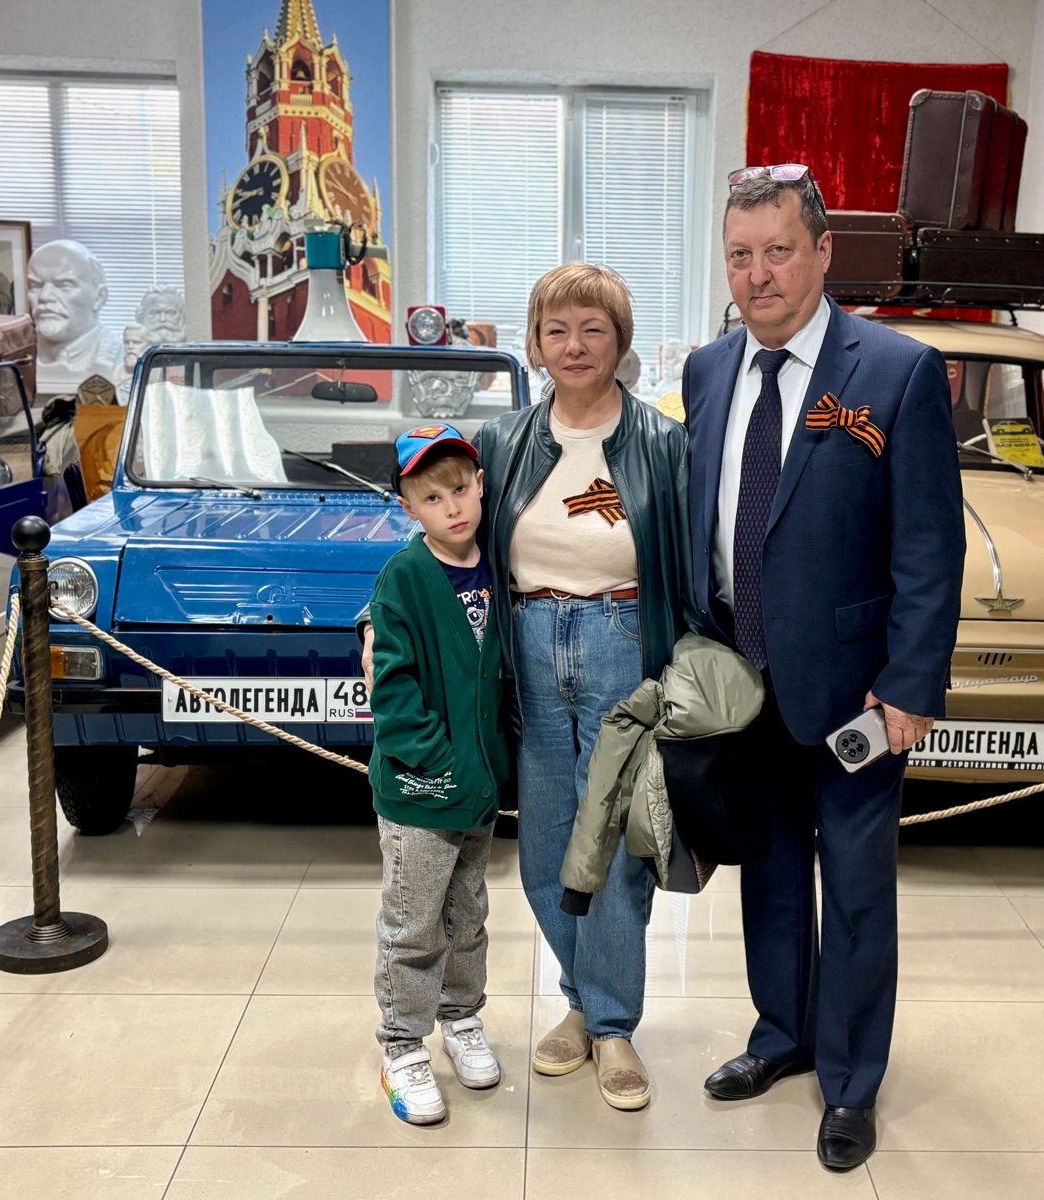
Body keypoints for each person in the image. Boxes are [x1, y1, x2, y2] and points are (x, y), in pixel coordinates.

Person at [683, 165, 963, 1171]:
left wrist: (911, 684)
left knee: (852, 887)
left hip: (856, 690)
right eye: (739, 256)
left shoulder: (896, 371)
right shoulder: (708, 369)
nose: (758, 276)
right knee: (765, 872)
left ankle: (849, 1081)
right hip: (741, 676)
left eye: (778, 252)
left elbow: (929, 546)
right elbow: (706, 519)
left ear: (823, 252)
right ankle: (783, 1034)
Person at [364, 263, 694, 1110]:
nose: (574, 346)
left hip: (624, 641)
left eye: (593, 329)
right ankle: (579, 1003)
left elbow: (694, 568)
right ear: (536, 345)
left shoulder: (663, 444)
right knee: (547, 844)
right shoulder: (505, 442)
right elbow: (441, 538)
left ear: (620, 341)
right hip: (528, 649)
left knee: (613, 841)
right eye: (557, 331)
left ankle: (613, 1024)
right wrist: (373, 620)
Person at [367, 422, 511, 1126]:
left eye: (459, 489)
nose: (451, 507)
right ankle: (401, 1044)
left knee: (468, 914)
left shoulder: (497, 566)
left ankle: (461, 1016)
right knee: (415, 922)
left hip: (477, 790)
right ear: (409, 507)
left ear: (480, 484)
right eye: (432, 498)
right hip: (421, 790)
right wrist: (439, 762)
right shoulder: (403, 577)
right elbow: (393, 691)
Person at [27, 239, 123, 391]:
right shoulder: (18, 359)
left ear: (99, 298)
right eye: (36, 285)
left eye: (64, 285)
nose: (44, 296)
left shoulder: (121, 360)